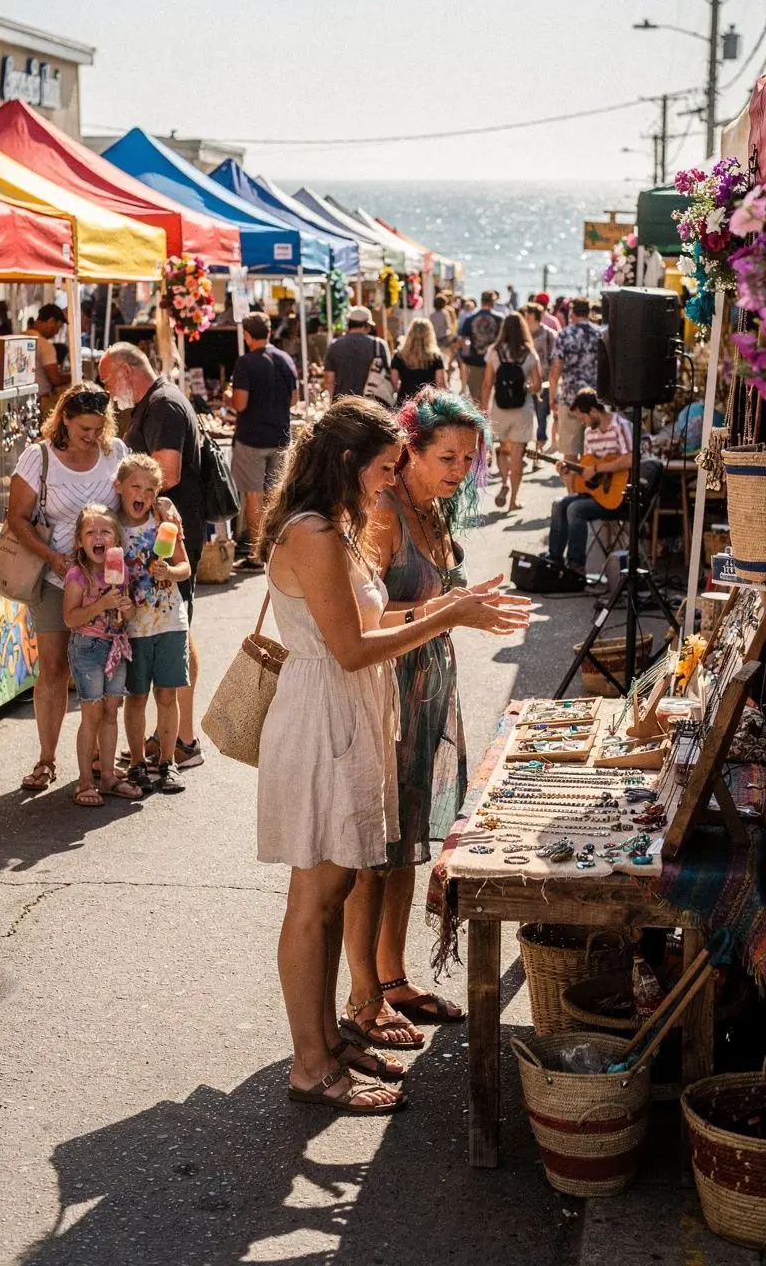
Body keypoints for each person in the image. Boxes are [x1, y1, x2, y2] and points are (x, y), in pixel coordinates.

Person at [255, 396, 532, 1112]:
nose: (389, 480)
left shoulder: (334, 528)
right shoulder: (313, 532)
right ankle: (311, 1065)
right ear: (348, 464)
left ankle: (327, 1038)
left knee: (338, 888)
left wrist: (455, 608)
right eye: (383, 468)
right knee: (315, 900)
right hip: (324, 718)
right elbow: (349, 648)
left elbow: (373, 623)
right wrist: (449, 612)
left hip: (349, 714)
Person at [340, 388, 524, 1033]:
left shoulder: (435, 510)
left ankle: (392, 977)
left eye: (467, 459)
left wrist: (468, 605)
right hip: (385, 690)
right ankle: (363, 998)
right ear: (408, 451)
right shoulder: (382, 514)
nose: (458, 470)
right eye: (446, 456)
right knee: (373, 850)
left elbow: (436, 600)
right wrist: (453, 609)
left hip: (427, 687)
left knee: (406, 845)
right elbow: (359, 620)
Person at [9, 385, 128, 793]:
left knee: (105, 667)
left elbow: (130, 503)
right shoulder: (39, 456)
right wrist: (51, 557)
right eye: (83, 428)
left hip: (109, 583)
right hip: (58, 578)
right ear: (63, 419)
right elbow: (17, 519)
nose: (91, 436)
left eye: (98, 428)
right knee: (55, 668)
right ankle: (46, 759)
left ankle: (98, 757)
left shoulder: (116, 453)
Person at [99, 342, 205, 770]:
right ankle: (174, 738)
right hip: (160, 539)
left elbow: (169, 471)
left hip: (171, 536)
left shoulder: (162, 405)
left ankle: (183, 740)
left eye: (108, 378)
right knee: (173, 636)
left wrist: (148, 502)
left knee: (179, 633)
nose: (108, 389)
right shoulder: (155, 402)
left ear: (127, 371)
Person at [116, 454, 191, 795]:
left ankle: (167, 762)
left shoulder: (164, 524)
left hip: (170, 622)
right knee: (136, 696)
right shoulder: (113, 528)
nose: (143, 495)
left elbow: (184, 568)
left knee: (167, 694)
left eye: (150, 489)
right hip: (133, 628)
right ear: (119, 487)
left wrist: (169, 571)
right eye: (135, 486)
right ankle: (134, 764)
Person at [62, 504, 140, 807]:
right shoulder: (77, 576)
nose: (98, 537)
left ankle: (107, 776)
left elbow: (130, 610)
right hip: (87, 649)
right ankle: (84, 781)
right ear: (80, 541)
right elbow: (70, 618)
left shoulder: (121, 572)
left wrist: (124, 607)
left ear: (116, 541)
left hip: (116, 647)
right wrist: (101, 603)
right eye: (90, 532)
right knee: (92, 714)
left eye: (105, 531)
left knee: (111, 712)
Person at [227, 311, 298, 572]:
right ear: (269, 331)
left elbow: (240, 403)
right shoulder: (285, 359)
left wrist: (227, 398)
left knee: (254, 495)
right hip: (280, 433)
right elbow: (294, 399)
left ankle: (258, 554)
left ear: (247, 335)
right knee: (275, 495)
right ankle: (276, 551)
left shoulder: (246, 363)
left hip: (252, 437)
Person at [546, 388, 632, 577]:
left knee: (575, 509)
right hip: (597, 493)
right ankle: (554, 561)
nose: (581, 422)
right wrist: (569, 471)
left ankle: (576, 567)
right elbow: (587, 468)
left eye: (582, 417)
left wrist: (598, 469)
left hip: (620, 496)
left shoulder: (620, 425)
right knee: (559, 504)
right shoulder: (589, 433)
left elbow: (630, 459)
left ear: (594, 411)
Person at [482, 311, 541, 511]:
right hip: (522, 409)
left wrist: (483, 409)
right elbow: (538, 385)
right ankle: (513, 502)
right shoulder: (529, 352)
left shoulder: (494, 351)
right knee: (517, 456)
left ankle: (504, 483)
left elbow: (488, 382)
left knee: (503, 449)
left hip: (500, 408)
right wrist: (525, 387)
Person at [549, 297, 602, 458]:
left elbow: (556, 369)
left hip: (569, 397)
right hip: (595, 399)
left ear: (572, 313)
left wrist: (553, 396)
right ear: (589, 312)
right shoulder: (600, 334)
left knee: (570, 454)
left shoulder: (565, 335)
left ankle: (571, 484)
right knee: (592, 453)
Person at [323, 306, 390, 399]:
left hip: (342, 404)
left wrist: (330, 403)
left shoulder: (335, 345)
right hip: (371, 405)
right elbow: (388, 376)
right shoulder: (378, 345)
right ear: (366, 325)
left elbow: (329, 380)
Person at [522, 302, 558, 462]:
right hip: (524, 384)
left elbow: (555, 360)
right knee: (525, 418)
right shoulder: (522, 335)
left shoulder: (548, 334)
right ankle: (522, 451)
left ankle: (538, 452)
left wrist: (553, 384)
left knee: (542, 419)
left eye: (528, 315)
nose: (525, 318)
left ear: (534, 316)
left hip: (544, 383)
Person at [457, 289, 505, 406]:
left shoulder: (470, 319)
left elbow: (462, 340)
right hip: (495, 363)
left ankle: (481, 420)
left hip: (476, 361)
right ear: (493, 302)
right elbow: (504, 341)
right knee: (493, 395)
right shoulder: (500, 318)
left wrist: (466, 355)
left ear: (481, 301)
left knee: (477, 398)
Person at [27, 303, 71, 416]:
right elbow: (55, 379)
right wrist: (74, 376)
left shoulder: (19, 337)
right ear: (51, 321)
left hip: (23, 399)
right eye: (58, 326)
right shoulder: (45, 345)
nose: (57, 332)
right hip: (41, 402)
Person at [390, 318, 446, 403]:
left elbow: (394, 383)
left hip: (405, 403)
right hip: (428, 404)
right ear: (430, 335)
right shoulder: (435, 357)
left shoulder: (398, 355)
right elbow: (440, 384)